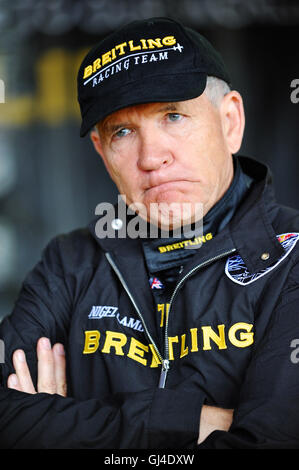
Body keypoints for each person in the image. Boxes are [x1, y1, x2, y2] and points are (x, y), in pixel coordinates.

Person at [1, 16, 299, 449]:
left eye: (174, 116)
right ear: (102, 152)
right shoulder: (69, 262)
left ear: (230, 121)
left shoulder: (291, 256)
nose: (151, 157)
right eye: (123, 131)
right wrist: (185, 422)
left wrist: (59, 426)